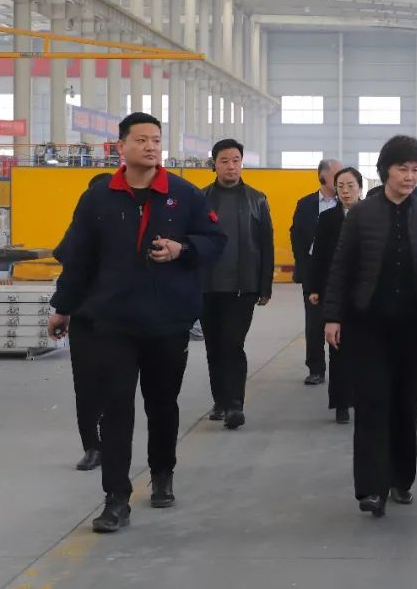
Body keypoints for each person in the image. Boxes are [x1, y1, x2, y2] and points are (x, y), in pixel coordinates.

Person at [49, 112, 226, 534]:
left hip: (167, 321)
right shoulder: (98, 198)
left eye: (156, 140)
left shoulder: (184, 194)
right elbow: (78, 260)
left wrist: (182, 248)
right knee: (115, 410)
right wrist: (63, 306)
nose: (150, 146)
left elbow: (216, 241)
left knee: (162, 404)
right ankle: (116, 498)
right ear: (121, 146)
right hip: (112, 322)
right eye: (141, 139)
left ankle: (162, 474)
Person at [322, 136, 417, 518]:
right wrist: (332, 316)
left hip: (413, 325)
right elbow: (341, 267)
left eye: (416, 170)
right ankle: (371, 487)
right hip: (367, 325)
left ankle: (401, 478)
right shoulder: (362, 214)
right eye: (403, 168)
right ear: (386, 171)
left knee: (406, 403)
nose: (410, 176)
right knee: (371, 403)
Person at [200, 138, 275, 430]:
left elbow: (266, 245)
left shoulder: (257, 199)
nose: (231, 166)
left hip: (242, 286)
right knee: (213, 346)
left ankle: (235, 404)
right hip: (207, 286)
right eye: (224, 161)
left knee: (233, 344)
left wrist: (265, 286)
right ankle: (219, 401)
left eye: (236, 160)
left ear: (242, 163)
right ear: (214, 165)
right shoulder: (201, 198)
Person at [53, 171, 113, 472]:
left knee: (114, 386)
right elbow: (69, 269)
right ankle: (92, 446)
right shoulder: (79, 231)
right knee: (87, 385)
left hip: (121, 320)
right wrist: (62, 310)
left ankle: (108, 445)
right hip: (86, 318)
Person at [307, 167, 364, 424]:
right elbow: (318, 256)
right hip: (336, 290)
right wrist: (314, 288)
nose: (346, 191)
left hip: (365, 291)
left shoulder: (371, 215)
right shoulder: (328, 218)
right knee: (338, 346)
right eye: (341, 186)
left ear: (360, 188)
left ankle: (363, 399)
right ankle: (341, 403)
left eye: (351, 186)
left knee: (365, 349)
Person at [291, 158, 342, 386]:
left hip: (341, 271)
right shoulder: (306, 204)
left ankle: (343, 368)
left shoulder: (349, 204)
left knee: (341, 320)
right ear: (323, 176)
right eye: (337, 174)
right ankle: (315, 369)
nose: (341, 179)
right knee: (314, 323)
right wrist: (303, 266)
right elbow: (296, 235)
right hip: (315, 271)